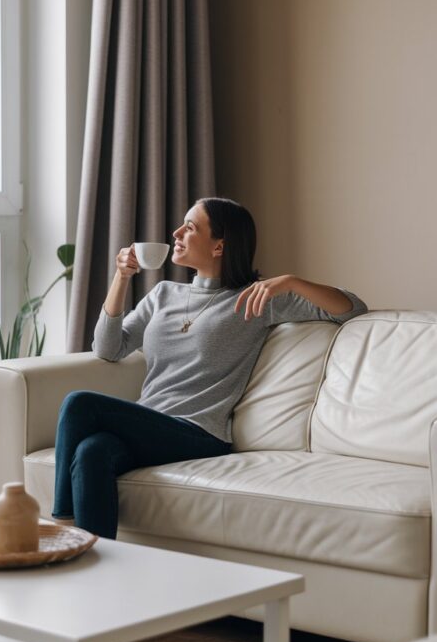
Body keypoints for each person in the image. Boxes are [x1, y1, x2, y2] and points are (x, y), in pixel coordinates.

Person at [53, 197, 367, 538]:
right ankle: (92, 558)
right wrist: (121, 278)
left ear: (219, 246)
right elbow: (108, 347)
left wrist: (290, 281)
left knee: (79, 404)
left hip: (200, 433)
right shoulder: (164, 294)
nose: (176, 233)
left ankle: (59, 530)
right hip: (151, 426)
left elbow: (351, 309)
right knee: (91, 451)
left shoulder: (254, 298)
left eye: (190, 227)